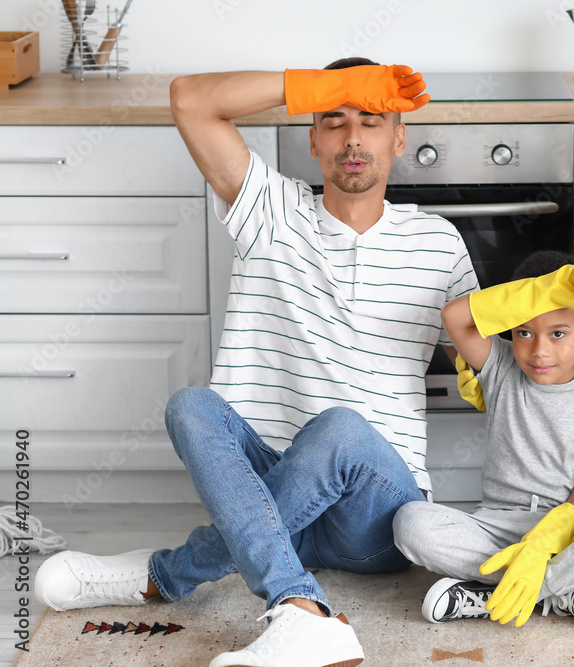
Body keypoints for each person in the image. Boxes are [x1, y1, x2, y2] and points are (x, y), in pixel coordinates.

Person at [34, 58, 480, 667]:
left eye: (372, 120)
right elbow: (190, 95)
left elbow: (487, 369)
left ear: (399, 137)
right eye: (335, 119)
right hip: (270, 492)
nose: (353, 137)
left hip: (374, 514)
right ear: (312, 138)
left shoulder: (439, 242)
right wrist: (331, 84)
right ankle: (300, 610)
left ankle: (170, 572)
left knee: (343, 428)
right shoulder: (272, 211)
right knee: (191, 406)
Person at [393, 251, 574, 628]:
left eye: (558, 333)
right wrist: (541, 290)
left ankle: (501, 593)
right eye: (524, 332)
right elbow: (454, 317)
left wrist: (542, 546)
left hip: (569, 534)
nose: (539, 350)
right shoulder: (501, 366)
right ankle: (560, 591)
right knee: (411, 523)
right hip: (496, 527)